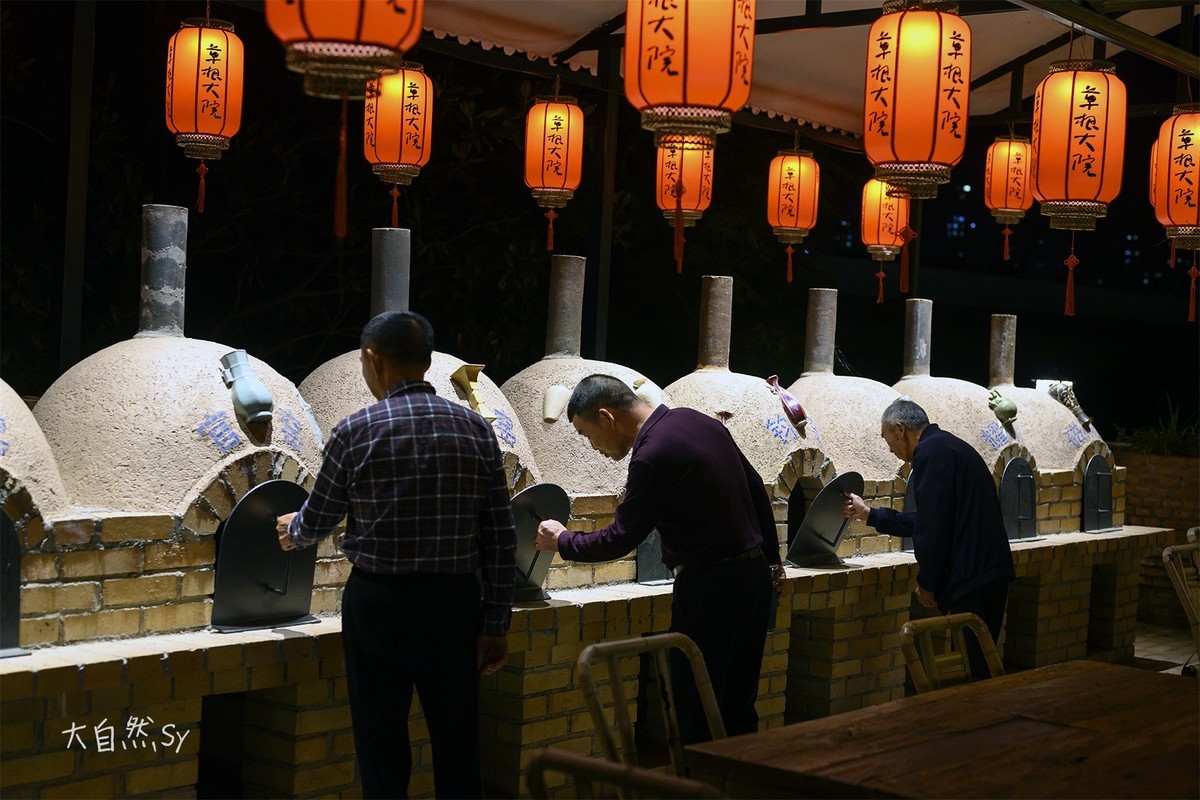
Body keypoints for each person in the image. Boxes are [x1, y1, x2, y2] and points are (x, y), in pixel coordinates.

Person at [275, 311, 516, 799]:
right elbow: (500, 534)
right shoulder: (477, 431)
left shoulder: (355, 430)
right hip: (454, 604)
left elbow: (319, 518)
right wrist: (495, 622)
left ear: (372, 359)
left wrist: (292, 531)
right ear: (426, 360)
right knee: (457, 742)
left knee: (381, 741)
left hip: (379, 605)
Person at [534, 374, 784, 744]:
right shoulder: (698, 421)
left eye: (587, 435)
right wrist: (773, 561)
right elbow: (756, 489)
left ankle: (694, 788)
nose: (594, 448)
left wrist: (563, 541)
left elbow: (621, 537)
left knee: (694, 709)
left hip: (711, 591)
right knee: (736, 707)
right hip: (754, 582)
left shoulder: (652, 454)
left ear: (607, 417)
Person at [842, 398, 1015, 680]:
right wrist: (870, 514)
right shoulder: (947, 446)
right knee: (980, 662)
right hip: (987, 572)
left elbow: (934, 526)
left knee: (976, 671)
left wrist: (927, 581)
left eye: (888, 439)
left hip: (973, 576)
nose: (889, 448)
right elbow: (933, 518)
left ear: (900, 429)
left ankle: (978, 721)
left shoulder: (930, 453)